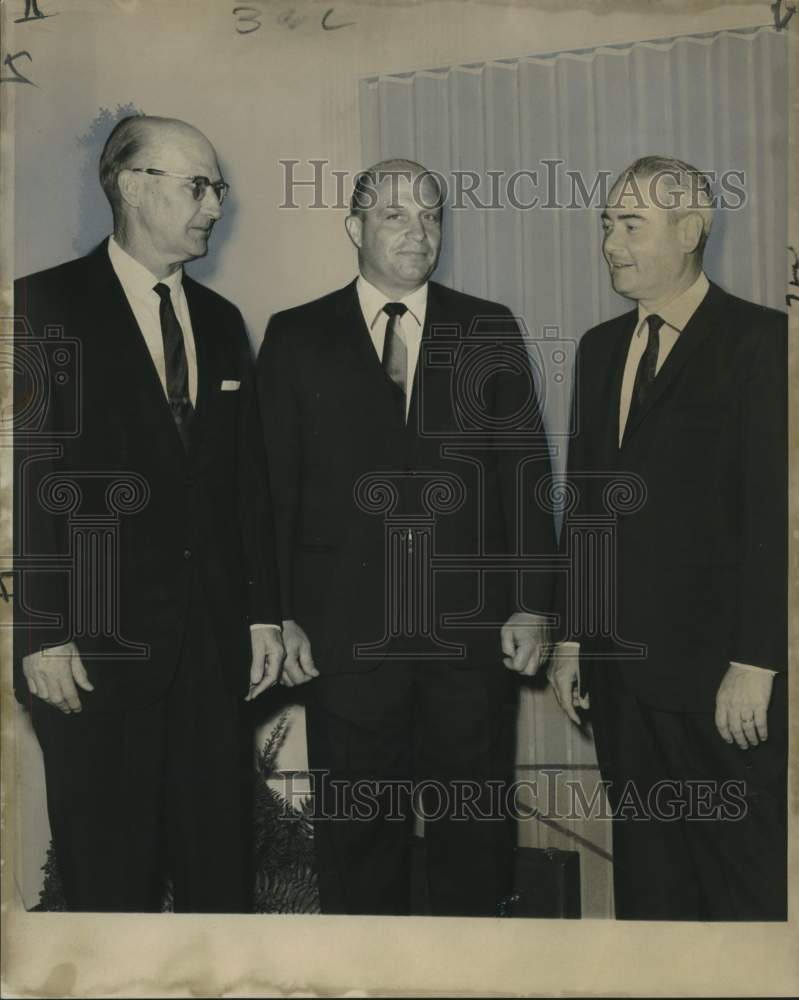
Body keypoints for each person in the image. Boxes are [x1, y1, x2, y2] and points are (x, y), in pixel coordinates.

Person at [257, 159, 556, 916]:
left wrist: (532, 604)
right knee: (357, 841)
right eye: (395, 216)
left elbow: (524, 474)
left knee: (473, 838)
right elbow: (270, 489)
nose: (417, 233)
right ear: (354, 227)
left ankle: (470, 970)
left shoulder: (487, 327)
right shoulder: (296, 336)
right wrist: (280, 612)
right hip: (345, 637)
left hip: (468, 636)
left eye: (430, 216)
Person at [13, 115, 285, 912]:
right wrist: (43, 631)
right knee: (109, 890)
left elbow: (246, 486)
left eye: (216, 189)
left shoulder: (223, 323)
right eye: (199, 186)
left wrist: (262, 615)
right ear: (134, 186)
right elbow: (25, 479)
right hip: (92, 656)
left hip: (211, 656)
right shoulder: (39, 306)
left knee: (220, 886)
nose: (215, 207)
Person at [548, 156, 788, 920]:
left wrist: (755, 661)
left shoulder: (762, 341)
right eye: (606, 225)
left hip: (722, 686)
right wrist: (572, 639)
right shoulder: (597, 348)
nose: (609, 244)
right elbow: (586, 506)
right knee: (650, 896)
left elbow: (774, 517)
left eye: (630, 225)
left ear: (689, 231)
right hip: (622, 683)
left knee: (740, 894)